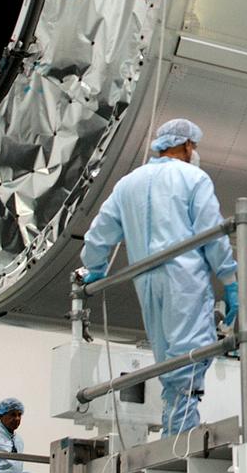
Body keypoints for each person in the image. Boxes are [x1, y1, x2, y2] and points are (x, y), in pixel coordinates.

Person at [81, 118, 238, 435]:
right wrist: (231, 281)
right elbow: (212, 233)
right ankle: (181, 435)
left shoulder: (128, 184)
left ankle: (174, 429)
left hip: (146, 280)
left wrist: (95, 268)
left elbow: (99, 235)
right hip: (184, 279)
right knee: (192, 353)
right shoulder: (193, 178)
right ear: (188, 145)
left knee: (167, 357)